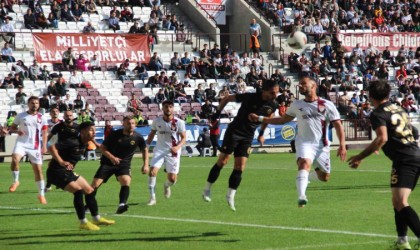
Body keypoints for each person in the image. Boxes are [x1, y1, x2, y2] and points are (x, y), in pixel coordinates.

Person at [249, 76, 346, 207]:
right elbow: (282, 120)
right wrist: (261, 118)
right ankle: (302, 196)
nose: (300, 86)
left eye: (303, 84)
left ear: (313, 86)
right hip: (304, 143)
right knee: (304, 163)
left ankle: (306, 178)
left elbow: (338, 125)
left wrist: (342, 145)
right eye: (299, 84)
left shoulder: (327, 105)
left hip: (322, 146)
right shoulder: (297, 105)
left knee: (324, 177)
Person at [347, 80, 420, 250]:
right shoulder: (397, 107)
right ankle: (402, 242)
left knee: (401, 201)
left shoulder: (378, 113)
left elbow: (382, 138)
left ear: (370, 95)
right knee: (397, 201)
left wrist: (360, 156)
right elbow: (414, 132)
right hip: (414, 154)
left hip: (405, 159)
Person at [202, 79, 279, 211]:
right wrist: (216, 114)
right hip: (235, 131)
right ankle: (207, 188)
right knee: (223, 161)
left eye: (277, 92)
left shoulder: (273, 104)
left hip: (248, 136)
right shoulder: (250, 96)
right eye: (273, 93)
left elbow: (268, 118)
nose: (275, 95)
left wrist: (261, 133)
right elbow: (227, 98)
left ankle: (230, 195)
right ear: (265, 91)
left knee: (240, 166)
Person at [47, 122, 115, 231]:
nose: (94, 132)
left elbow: (100, 147)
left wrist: (112, 157)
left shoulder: (85, 143)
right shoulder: (72, 141)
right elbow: (51, 147)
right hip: (56, 172)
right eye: (91, 130)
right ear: (82, 131)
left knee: (90, 191)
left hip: (67, 172)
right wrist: (61, 161)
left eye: (95, 130)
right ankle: (83, 222)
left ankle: (96, 219)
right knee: (78, 191)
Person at [90, 116, 149, 214]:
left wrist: (146, 164)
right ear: (123, 124)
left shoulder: (138, 137)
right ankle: (88, 204)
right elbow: (103, 148)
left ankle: (122, 204)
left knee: (126, 181)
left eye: (133, 123)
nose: (131, 125)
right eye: (128, 123)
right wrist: (112, 158)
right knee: (95, 185)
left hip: (124, 164)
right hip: (108, 163)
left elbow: (145, 149)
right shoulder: (115, 134)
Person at [2, 96, 48, 204]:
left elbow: (45, 133)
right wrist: (17, 131)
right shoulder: (21, 116)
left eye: (36, 103)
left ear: (39, 105)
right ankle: (16, 181)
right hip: (21, 143)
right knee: (15, 159)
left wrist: (44, 146)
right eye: (32, 103)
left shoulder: (42, 117)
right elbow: (12, 128)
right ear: (28, 104)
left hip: (35, 146)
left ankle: (41, 194)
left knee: (38, 170)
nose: (34, 105)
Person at [145, 100, 186, 206]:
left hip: (173, 152)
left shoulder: (179, 122)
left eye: (170, 107)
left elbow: (184, 138)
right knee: (152, 172)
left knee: (172, 179)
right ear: (162, 108)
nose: (168, 109)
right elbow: (151, 134)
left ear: (173, 108)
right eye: (166, 107)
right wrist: (146, 146)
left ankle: (167, 186)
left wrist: (177, 147)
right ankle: (152, 198)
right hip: (159, 150)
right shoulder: (157, 121)